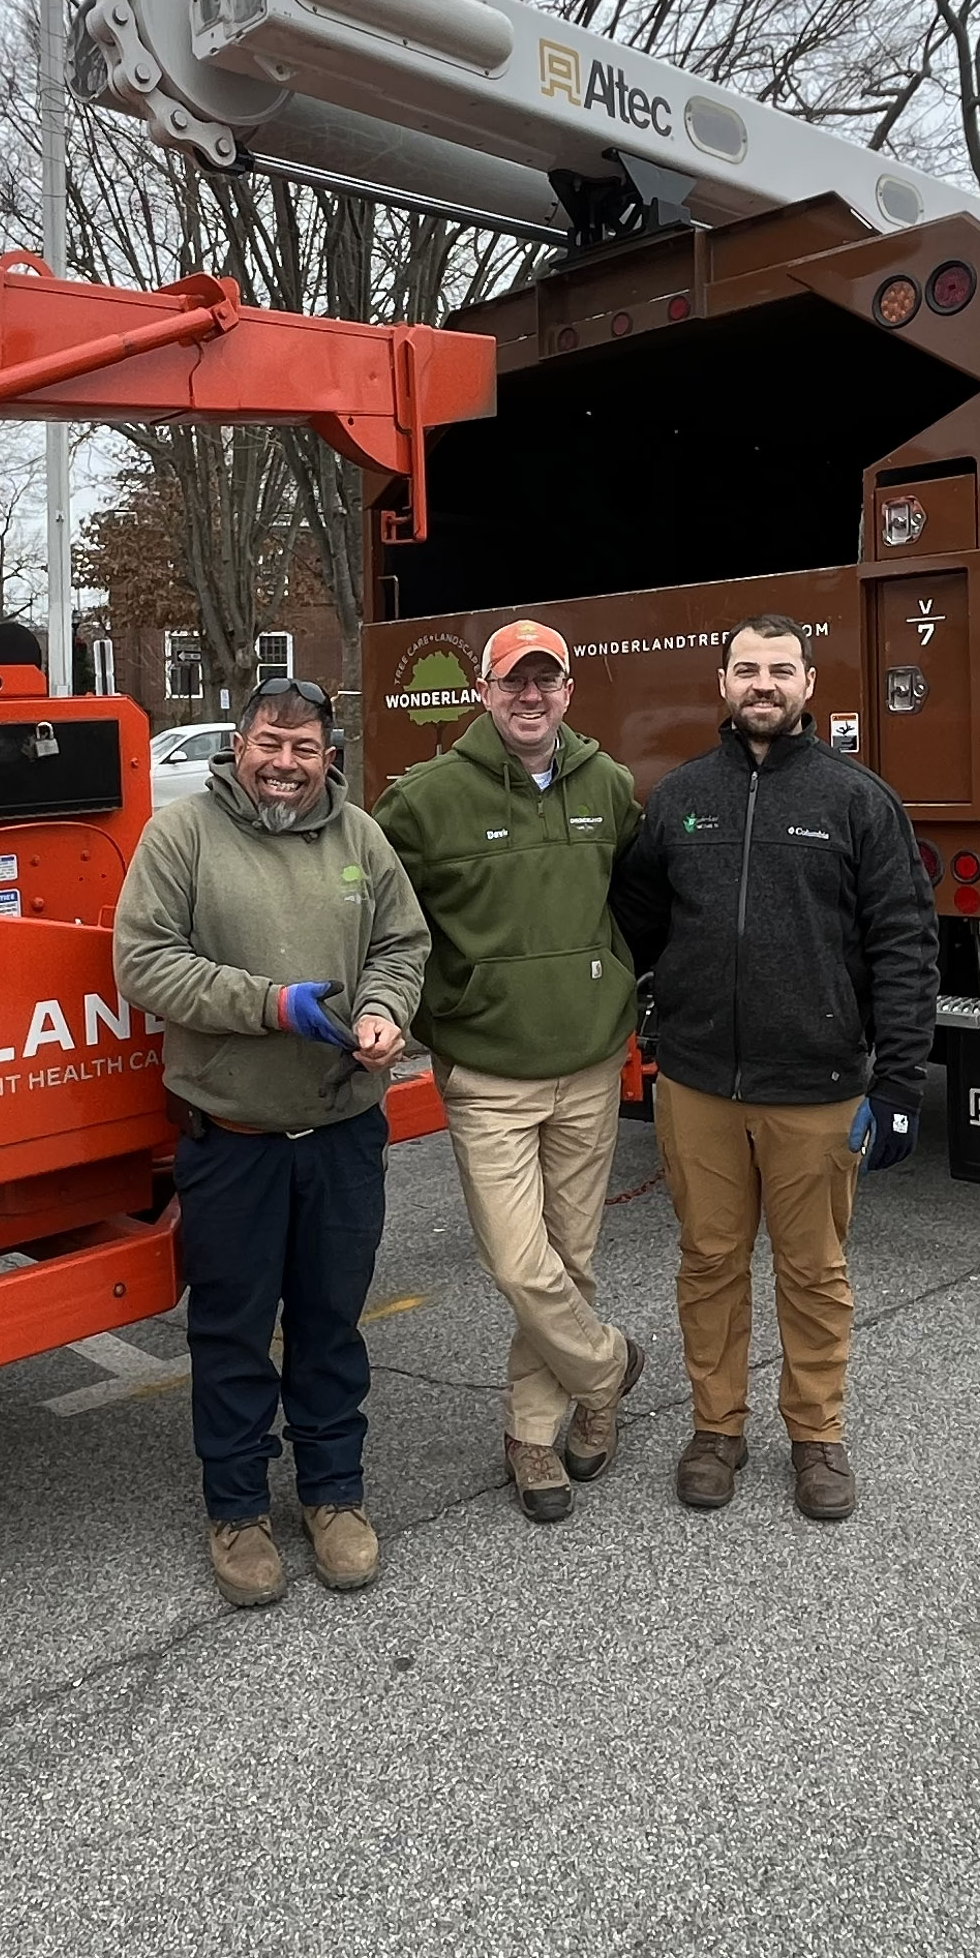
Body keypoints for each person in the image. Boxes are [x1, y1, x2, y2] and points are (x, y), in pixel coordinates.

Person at [611, 614, 939, 1522]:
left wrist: (902, 1084)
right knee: (709, 1260)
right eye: (747, 669)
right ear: (722, 684)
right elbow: (629, 928)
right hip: (697, 1083)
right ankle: (716, 1429)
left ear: (808, 685)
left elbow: (906, 945)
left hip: (819, 1088)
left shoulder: (858, 801)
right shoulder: (678, 800)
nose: (764, 684)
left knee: (814, 1270)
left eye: (781, 670)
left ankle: (816, 1436)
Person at [114, 678, 430, 1606]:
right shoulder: (183, 837)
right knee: (233, 1332)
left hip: (339, 1134)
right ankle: (239, 1510)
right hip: (235, 1137)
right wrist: (270, 1005)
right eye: (269, 744)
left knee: (331, 1323)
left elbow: (402, 945)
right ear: (239, 746)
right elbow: (144, 962)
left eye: (304, 749)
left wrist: (380, 1009)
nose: (285, 764)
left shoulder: (359, 837)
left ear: (328, 754)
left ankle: (334, 1496)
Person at [375, 619, 646, 1525]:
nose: (531, 698)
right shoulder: (424, 801)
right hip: (488, 1073)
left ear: (569, 692)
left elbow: (640, 903)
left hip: (591, 1063)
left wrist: (626, 996)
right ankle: (607, 1366)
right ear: (483, 694)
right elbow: (375, 917)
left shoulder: (607, 786)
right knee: (521, 1265)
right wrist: (417, 1014)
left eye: (548, 681)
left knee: (572, 1259)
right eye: (513, 682)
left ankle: (537, 1434)